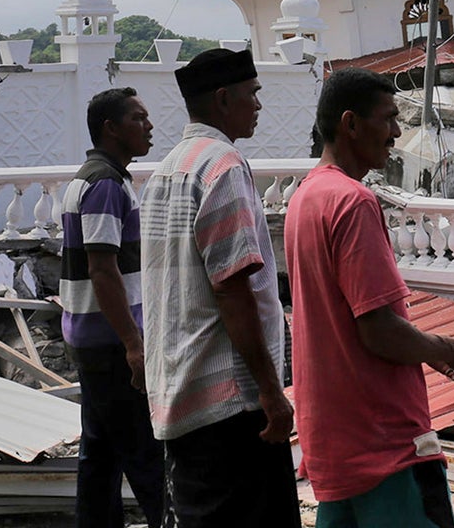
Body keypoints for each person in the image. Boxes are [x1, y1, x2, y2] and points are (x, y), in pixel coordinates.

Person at [287, 67, 454, 527]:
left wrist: (425, 346)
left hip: (334, 434)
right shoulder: (352, 201)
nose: (398, 132)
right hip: (383, 440)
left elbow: (349, 318)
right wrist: (448, 350)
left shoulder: (306, 196)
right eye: (388, 118)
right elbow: (377, 330)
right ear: (351, 124)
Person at [140, 48, 298, 526]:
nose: (258, 105)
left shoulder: (168, 168)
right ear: (224, 99)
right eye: (252, 94)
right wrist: (271, 392)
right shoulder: (222, 167)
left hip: (179, 389)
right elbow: (232, 289)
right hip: (229, 402)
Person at [58, 87, 166, 528]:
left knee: (100, 455)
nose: (149, 126)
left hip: (92, 340)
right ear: (111, 128)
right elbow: (102, 270)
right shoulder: (103, 185)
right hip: (110, 344)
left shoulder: (96, 178)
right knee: (146, 454)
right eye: (138, 118)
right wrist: (133, 344)